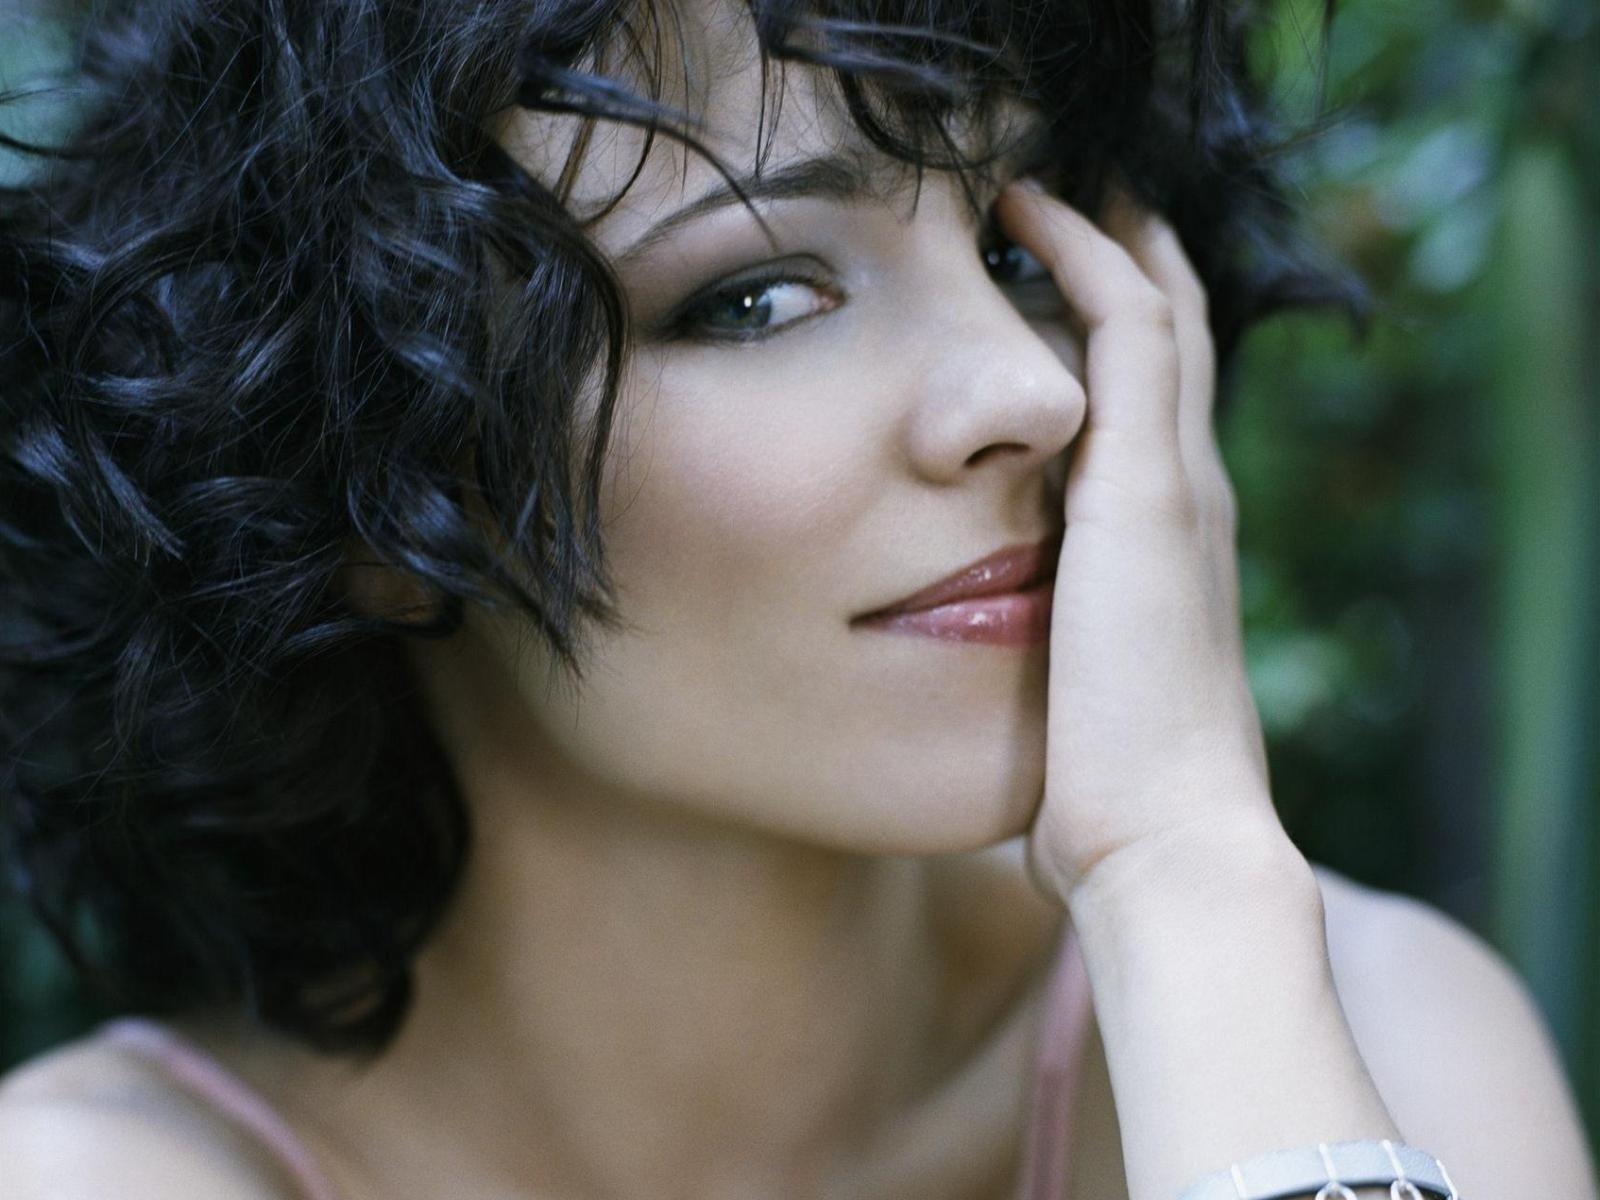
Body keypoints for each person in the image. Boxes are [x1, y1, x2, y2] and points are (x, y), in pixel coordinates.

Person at [0, 0, 1594, 1197]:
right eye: (758, 296)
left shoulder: (1366, 1034)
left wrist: (1185, 875)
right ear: (372, 487)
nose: (1028, 388)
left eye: (1018, 249)